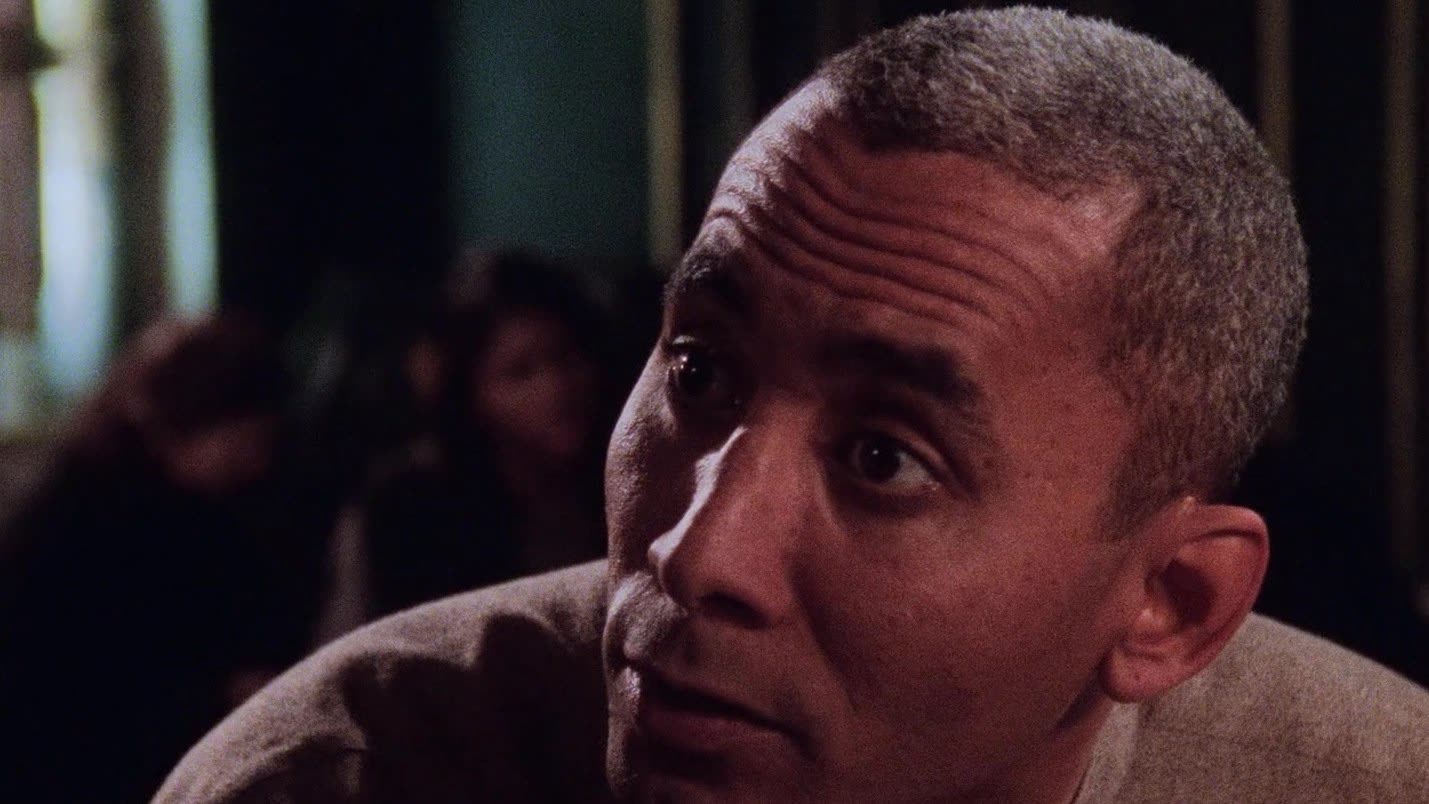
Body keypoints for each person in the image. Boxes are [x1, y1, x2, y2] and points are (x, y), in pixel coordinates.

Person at [156, 9, 1429, 803]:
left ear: (1171, 604)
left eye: (883, 457)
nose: (695, 552)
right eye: (698, 375)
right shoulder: (333, 778)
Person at [0, 315, 304, 804]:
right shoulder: (89, 516)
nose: (257, 459)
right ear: (197, 420)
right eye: (248, 438)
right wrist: (218, 694)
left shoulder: (210, 507)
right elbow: (84, 678)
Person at [311, 251, 610, 641]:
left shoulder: (622, 484)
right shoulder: (406, 511)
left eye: (567, 357)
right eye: (520, 373)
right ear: (470, 392)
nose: (558, 389)